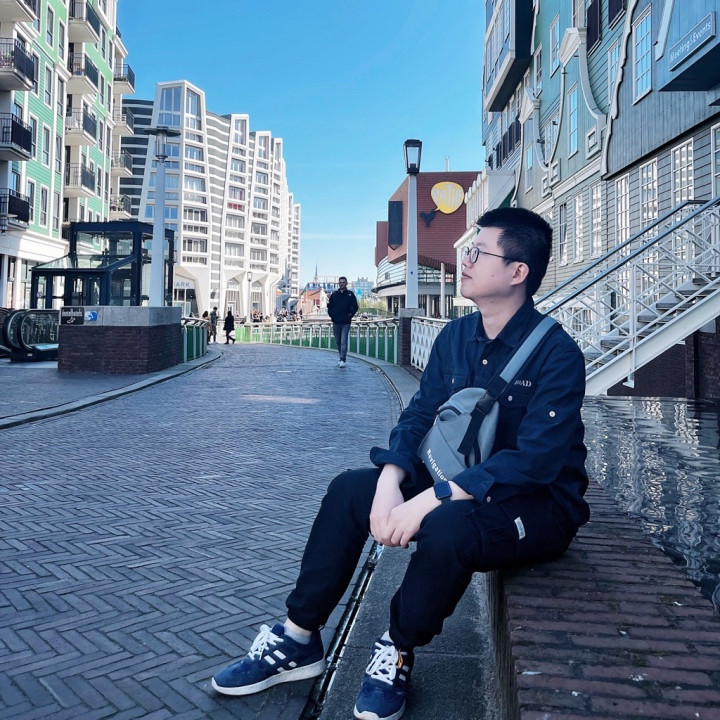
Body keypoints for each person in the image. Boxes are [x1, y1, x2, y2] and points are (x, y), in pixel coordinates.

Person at [210, 208, 590, 720]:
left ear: (517, 272)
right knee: (350, 490)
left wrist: (432, 497)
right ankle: (299, 638)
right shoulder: (455, 336)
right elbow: (419, 415)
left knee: (451, 524)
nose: (465, 260)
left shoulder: (557, 353)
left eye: (478, 252)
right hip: (456, 480)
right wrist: (392, 480)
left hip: (537, 505)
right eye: (467, 250)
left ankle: (397, 647)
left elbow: (536, 461)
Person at [327, 276, 358, 368]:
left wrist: (349, 315)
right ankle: (341, 357)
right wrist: (332, 315)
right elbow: (330, 307)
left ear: (346, 283)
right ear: (338, 283)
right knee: (338, 341)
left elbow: (355, 307)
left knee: (343, 341)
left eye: (343, 282)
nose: (342, 284)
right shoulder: (334, 295)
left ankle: (343, 359)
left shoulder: (350, 294)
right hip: (336, 322)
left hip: (346, 322)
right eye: (340, 282)